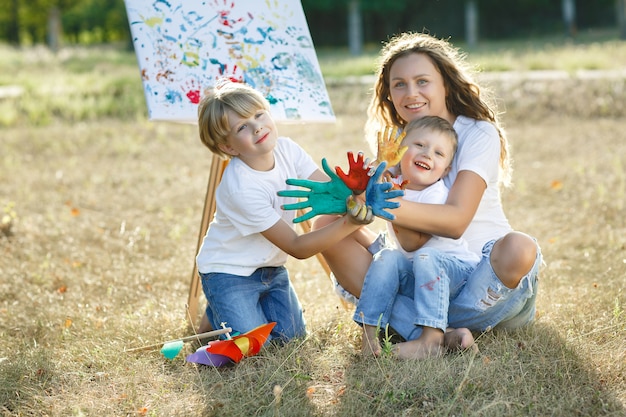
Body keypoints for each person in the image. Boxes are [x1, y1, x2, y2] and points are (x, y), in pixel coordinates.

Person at [311, 32, 543, 357]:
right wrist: (350, 202)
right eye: (399, 84)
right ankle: (440, 335)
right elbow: (392, 227)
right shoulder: (397, 144)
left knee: (519, 247)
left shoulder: (476, 132)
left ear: (445, 84)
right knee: (326, 225)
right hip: (415, 281)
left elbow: (456, 221)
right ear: (389, 94)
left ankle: (422, 325)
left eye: (423, 81)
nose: (411, 93)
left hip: (476, 282)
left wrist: (381, 202)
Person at [195, 80, 386, 343]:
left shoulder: (287, 149)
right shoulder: (241, 187)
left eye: (258, 114)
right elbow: (297, 247)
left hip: (270, 269)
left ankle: (226, 309)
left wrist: (360, 190)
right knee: (253, 347)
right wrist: (351, 223)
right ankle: (219, 307)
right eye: (242, 127)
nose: (257, 126)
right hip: (229, 272)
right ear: (228, 147)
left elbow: (331, 194)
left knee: (291, 338)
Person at [355, 115, 481, 358]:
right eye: (420, 145)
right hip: (421, 283)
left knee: (425, 256)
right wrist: (378, 173)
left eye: (438, 153)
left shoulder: (435, 194)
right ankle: (370, 335)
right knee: (386, 257)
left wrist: (391, 199)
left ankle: (429, 342)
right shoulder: (394, 183)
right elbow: (362, 195)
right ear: (400, 151)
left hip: (455, 278)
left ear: (445, 170)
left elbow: (412, 243)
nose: (427, 154)